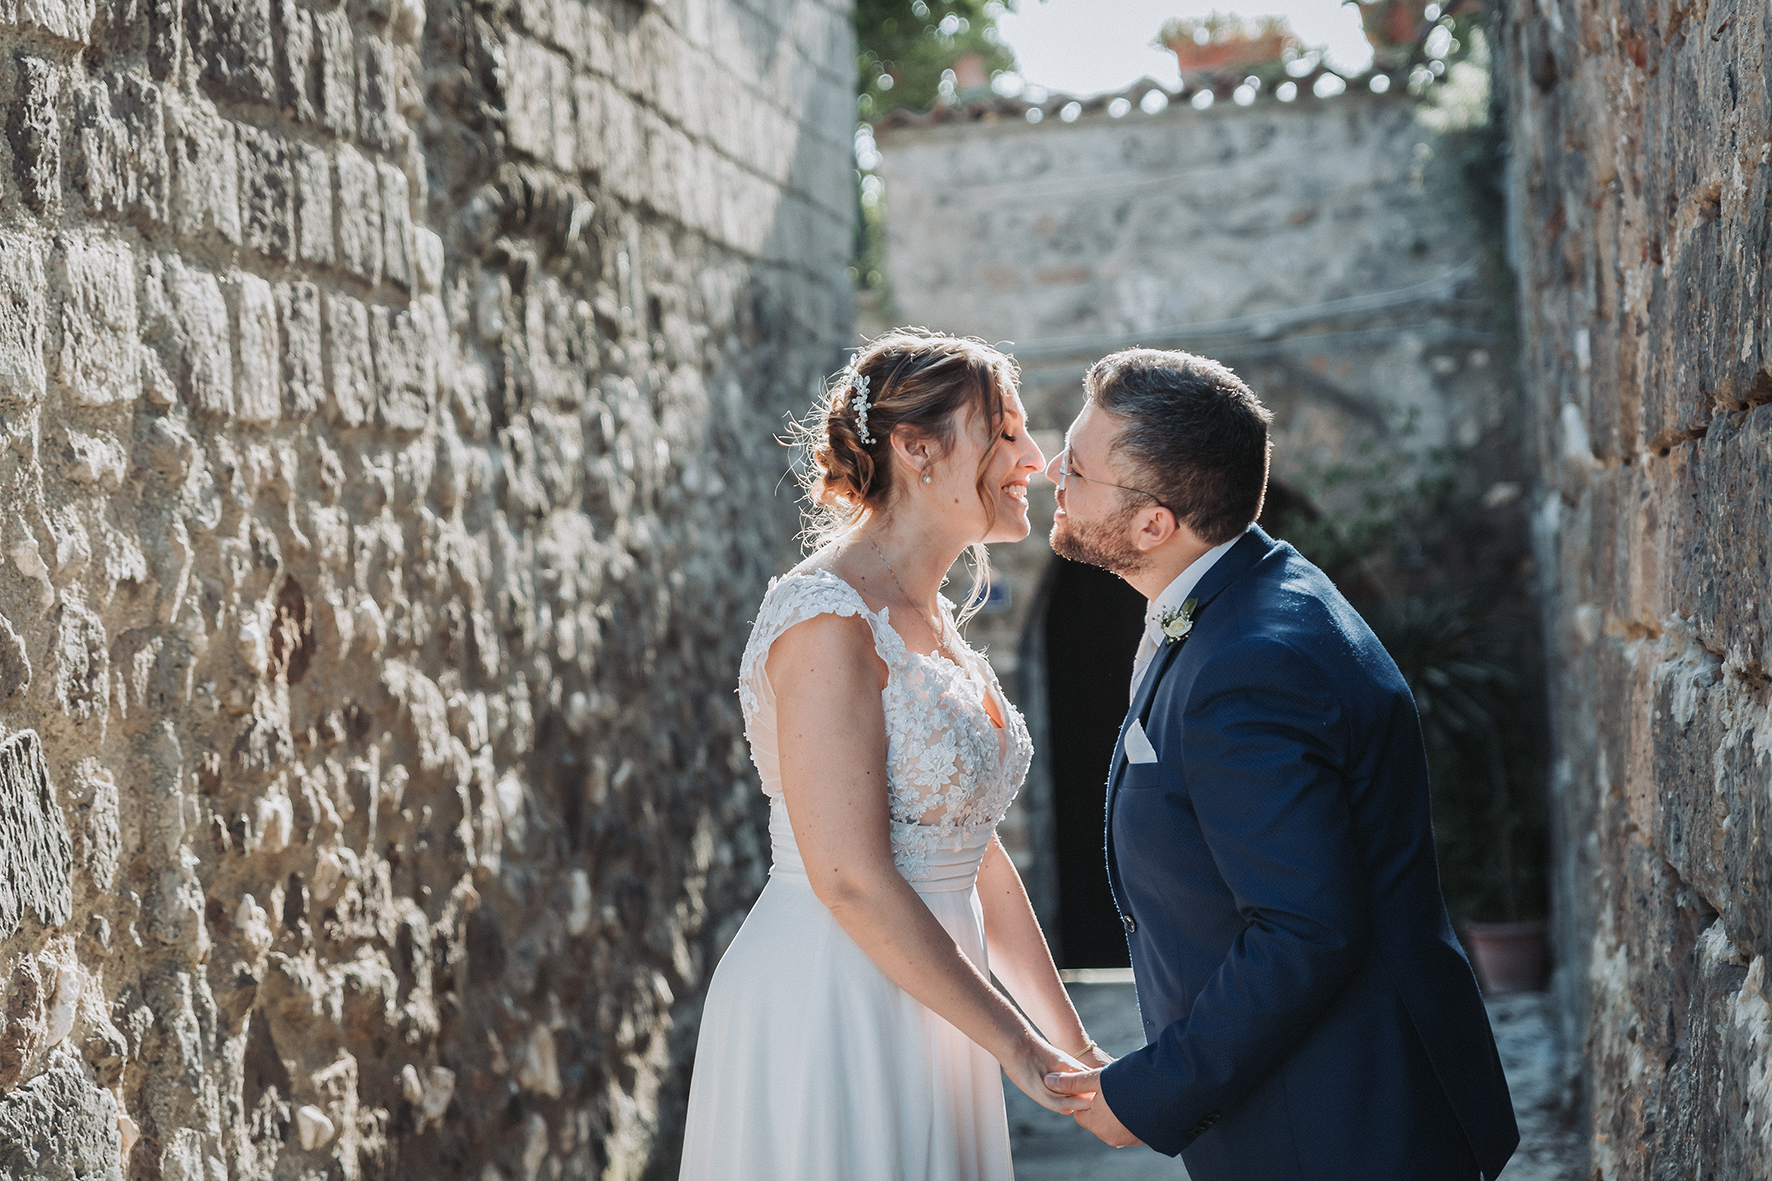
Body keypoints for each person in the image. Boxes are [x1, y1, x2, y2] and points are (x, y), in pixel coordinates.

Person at [1041, 348, 1520, 1180]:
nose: (1053, 470)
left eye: (1076, 468)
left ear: (1156, 524)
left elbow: (1305, 929)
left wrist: (1150, 1091)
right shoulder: (1251, 588)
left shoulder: (1247, 665)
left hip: (1340, 1125)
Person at [677, 330, 1103, 1181]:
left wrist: (1074, 1047)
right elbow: (851, 877)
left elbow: (972, 853)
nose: (1036, 457)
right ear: (917, 450)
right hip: (833, 998)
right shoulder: (827, 620)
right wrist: (1016, 1047)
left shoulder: (939, 622)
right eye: (1006, 430)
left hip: (941, 1008)